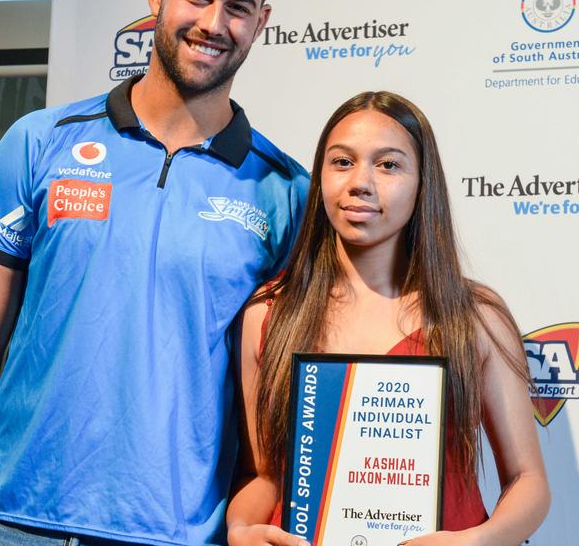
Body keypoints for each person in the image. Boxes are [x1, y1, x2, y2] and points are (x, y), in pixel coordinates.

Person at [0, 0, 309, 546]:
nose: (214, 23)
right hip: (14, 524)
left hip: (176, 537)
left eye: (239, 6)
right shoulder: (39, 144)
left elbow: (282, 401)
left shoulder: (285, 193)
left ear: (261, 22)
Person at [227, 92, 551, 546]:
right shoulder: (270, 313)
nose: (360, 182)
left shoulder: (475, 318)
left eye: (389, 165)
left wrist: (478, 541)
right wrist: (240, 529)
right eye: (341, 162)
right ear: (319, 177)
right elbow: (262, 476)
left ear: (423, 183)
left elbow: (527, 480)